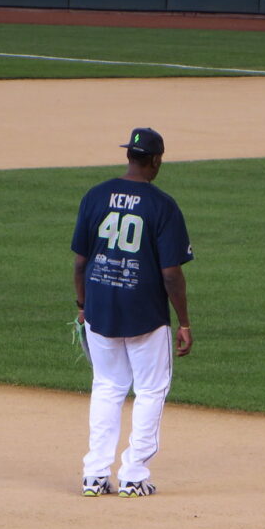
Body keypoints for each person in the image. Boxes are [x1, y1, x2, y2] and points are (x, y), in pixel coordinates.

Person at [71, 127, 194, 498]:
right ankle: (133, 475)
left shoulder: (95, 196)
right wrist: (185, 321)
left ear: (129, 155)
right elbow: (171, 273)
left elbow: (80, 262)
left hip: (100, 308)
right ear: (155, 160)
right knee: (150, 390)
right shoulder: (162, 205)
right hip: (145, 313)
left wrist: (82, 306)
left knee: (107, 387)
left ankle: (94, 475)